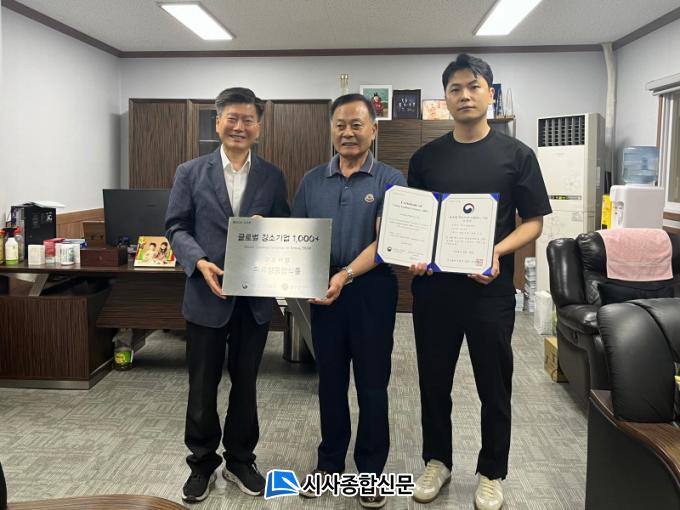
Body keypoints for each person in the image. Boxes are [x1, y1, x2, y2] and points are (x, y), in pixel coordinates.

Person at [407, 54, 551, 509]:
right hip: (434, 291)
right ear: (445, 98)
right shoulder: (426, 158)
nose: (465, 95)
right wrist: (414, 253)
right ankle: (437, 461)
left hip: (489, 291)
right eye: (455, 88)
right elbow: (416, 220)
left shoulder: (517, 155)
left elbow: (534, 222)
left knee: (494, 383)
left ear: (490, 93)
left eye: (473, 86)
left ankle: (492, 471)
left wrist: (497, 251)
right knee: (433, 382)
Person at [165, 87, 290, 503]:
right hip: (207, 295)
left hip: (254, 300)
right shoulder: (190, 172)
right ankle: (201, 463)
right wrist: (199, 261)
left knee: (246, 384)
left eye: (248, 119)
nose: (239, 126)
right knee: (201, 385)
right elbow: (176, 226)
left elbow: (284, 227)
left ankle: (240, 459)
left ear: (259, 127)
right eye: (231, 118)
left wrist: (267, 228)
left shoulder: (272, 176)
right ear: (217, 123)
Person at [292, 93, 405, 509]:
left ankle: (371, 472)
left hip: (371, 290)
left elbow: (386, 243)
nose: (348, 133)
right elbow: (299, 235)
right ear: (331, 130)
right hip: (323, 290)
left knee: (373, 384)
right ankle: (329, 465)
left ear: (373, 130)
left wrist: (345, 275)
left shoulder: (390, 180)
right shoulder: (312, 180)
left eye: (357, 125)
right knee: (331, 382)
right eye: (340, 125)